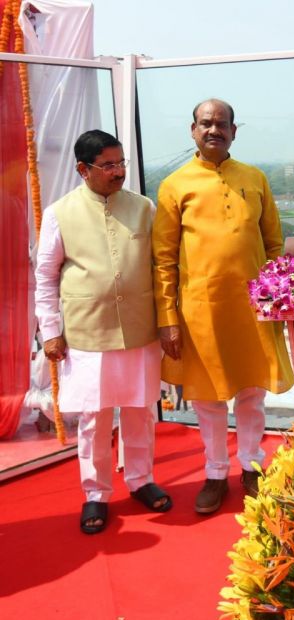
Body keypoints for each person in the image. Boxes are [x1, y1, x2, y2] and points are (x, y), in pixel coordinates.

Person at [153, 99, 294, 514]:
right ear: (192, 130)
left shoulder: (254, 178)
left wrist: (277, 297)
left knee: (252, 393)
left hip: (253, 305)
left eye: (222, 124)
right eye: (206, 123)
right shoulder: (175, 185)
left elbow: (273, 243)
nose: (214, 130)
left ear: (235, 131)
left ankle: (251, 466)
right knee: (209, 399)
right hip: (201, 310)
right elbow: (163, 258)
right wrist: (167, 319)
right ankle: (215, 473)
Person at [34, 130, 170, 534]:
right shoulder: (61, 212)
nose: (119, 172)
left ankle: (141, 480)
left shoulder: (144, 207)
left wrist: (167, 323)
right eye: (108, 165)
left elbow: (161, 268)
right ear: (83, 169)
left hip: (139, 328)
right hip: (87, 330)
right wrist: (51, 330)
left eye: (121, 163)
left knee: (140, 410)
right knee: (95, 417)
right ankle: (96, 493)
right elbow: (45, 275)